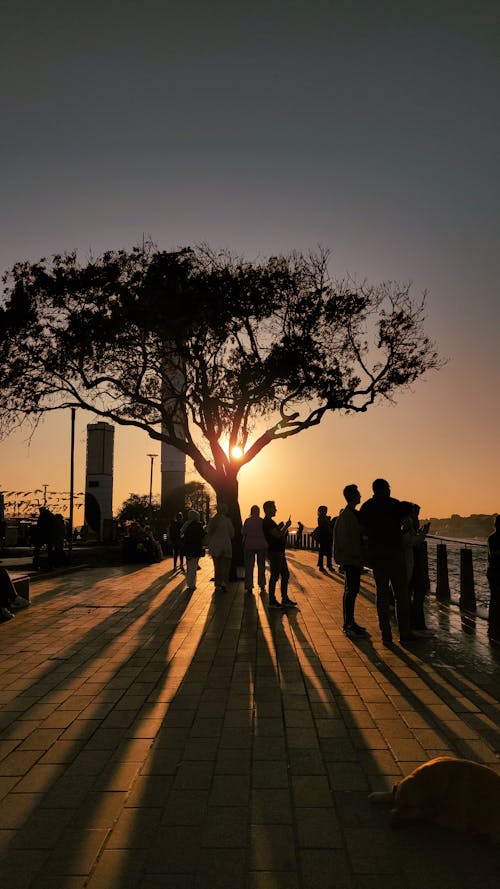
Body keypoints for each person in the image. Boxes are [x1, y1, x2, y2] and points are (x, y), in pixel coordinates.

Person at [359, 479, 417, 645]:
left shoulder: (367, 506)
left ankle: (386, 634)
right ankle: (405, 633)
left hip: (377, 554)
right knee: (401, 594)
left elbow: (362, 530)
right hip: (394, 553)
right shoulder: (395, 504)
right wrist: (405, 531)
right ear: (385, 489)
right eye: (389, 488)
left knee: (382, 595)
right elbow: (407, 523)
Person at [333, 484, 367, 637]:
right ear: (353, 496)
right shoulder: (347, 516)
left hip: (353, 558)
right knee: (351, 591)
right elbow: (342, 539)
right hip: (351, 559)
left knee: (352, 590)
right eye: (358, 494)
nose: (360, 496)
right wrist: (342, 560)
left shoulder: (351, 514)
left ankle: (350, 622)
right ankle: (348, 624)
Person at [262, 501, 296, 608]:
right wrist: (286, 526)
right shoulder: (267, 522)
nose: (276, 510)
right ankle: (272, 600)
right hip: (275, 552)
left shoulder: (270, 522)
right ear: (268, 509)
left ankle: (284, 598)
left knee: (285, 574)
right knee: (275, 576)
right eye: (274, 508)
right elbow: (277, 535)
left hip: (279, 552)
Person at [204, 503, 234, 592]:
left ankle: (217, 583)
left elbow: (208, 531)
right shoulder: (227, 521)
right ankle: (224, 582)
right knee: (225, 566)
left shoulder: (213, 520)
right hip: (225, 544)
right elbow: (232, 533)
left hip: (215, 545)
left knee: (217, 566)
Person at [242, 505, 267, 594]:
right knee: (261, 566)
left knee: (249, 566)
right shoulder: (262, 521)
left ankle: (249, 585)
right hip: (261, 545)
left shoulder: (247, 521)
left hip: (249, 545)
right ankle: (262, 584)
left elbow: (243, 532)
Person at [181, 510, 205, 592]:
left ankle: (189, 583)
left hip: (188, 547)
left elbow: (181, 533)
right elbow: (202, 535)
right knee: (194, 567)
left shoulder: (186, 525)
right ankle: (192, 584)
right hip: (196, 547)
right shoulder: (199, 525)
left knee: (189, 566)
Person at [487, 515, 500, 643]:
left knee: (495, 599)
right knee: (495, 599)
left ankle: (493, 626)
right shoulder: (492, 538)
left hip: (494, 571)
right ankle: (493, 626)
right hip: (495, 572)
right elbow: (493, 553)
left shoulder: (492, 537)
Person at [313, 505, 335, 572]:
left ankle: (329, 565)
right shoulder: (320, 518)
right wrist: (328, 520)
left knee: (328, 552)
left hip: (327, 537)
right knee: (322, 552)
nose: (326, 511)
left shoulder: (324, 517)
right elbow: (323, 526)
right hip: (323, 537)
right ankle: (321, 566)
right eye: (325, 510)